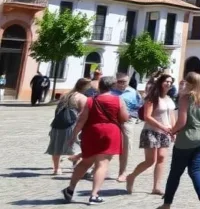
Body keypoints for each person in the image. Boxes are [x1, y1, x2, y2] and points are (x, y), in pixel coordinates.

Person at [60, 75, 128, 205]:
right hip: (110, 132)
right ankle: (94, 195)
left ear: (100, 86)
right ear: (113, 86)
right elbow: (124, 118)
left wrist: (73, 135)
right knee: (102, 164)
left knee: (86, 162)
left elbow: (81, 120)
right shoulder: (118, 100)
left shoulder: (90, 101)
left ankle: (70, 189)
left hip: (92, 132)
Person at [160, 72, 200, 209]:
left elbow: (182, 122)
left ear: (190, 84)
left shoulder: (185, 99)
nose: (183, 84)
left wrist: (171, 131)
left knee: (175, 173)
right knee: (195, 170)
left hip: (186, 140)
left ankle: (167, 204)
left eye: (185, 82)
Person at [125, 74, 176, 195]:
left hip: (165, 133)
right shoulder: (152, 97)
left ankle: (156, 187)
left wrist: (174, 131)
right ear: (160, 82)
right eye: (166, 81)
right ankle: (131, 176)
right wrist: (162, 126)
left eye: (170, 82)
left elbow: (172, 115)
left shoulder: (169, 99)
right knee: (150, 161)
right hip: (151, 131)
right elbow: (147, 117)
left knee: (162, 158)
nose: (168, 84)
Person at [46, 77, 89, 175]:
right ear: (85, 87)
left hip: (57, 123)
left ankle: (57, 169)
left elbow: (57, 110)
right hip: (72, 125)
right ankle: (76, 167)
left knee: (56, 146)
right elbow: (83, 114)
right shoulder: (82, 98)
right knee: (75, 147)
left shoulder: (66, 95)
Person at [111, 72, 143, 182]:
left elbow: (139, 107)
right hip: (111, 121)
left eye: (123, 82)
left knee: (126, 146)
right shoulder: (110, 92)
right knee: (107, 145)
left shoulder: (133, 93)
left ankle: (122, 172)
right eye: (119, 82)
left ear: (128, 81)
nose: (121, 84)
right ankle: (96, 167)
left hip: (127, 121)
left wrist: (131, 116)